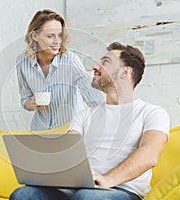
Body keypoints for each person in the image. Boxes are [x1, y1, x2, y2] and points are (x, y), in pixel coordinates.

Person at [10, 42, 170, 200]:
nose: (95, 66)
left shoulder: (152, 113)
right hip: (79, 190)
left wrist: (108, 179)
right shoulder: (85, 114)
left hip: (122, 191)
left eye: (105, 62)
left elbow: (150, 154)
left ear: (125, 72)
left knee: (87, 197)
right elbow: (66, 149)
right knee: (24, 194)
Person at [16, 9, 104, 131]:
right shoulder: (23, 62)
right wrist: (30, 104)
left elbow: (92, 96)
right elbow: (25, 98)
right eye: (50, 36)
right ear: (35, 36)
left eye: (60, 35)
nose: (57, 41)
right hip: (40, 130)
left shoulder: (70, 60)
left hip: (69, 131)